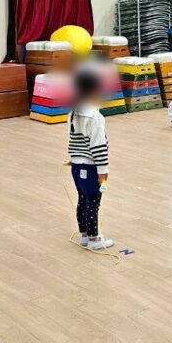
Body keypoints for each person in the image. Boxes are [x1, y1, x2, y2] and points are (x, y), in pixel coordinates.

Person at [68, 67, 113, 250]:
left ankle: (85, 236)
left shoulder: (74, 111)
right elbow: (98, 146)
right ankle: (94, 239)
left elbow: (74, 139)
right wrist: (103, 171)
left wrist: (74, 158)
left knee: (83, 199)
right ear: (95, 90)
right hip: (91, 166)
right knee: (93, 201)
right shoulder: (94, 116)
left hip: (76, 166)